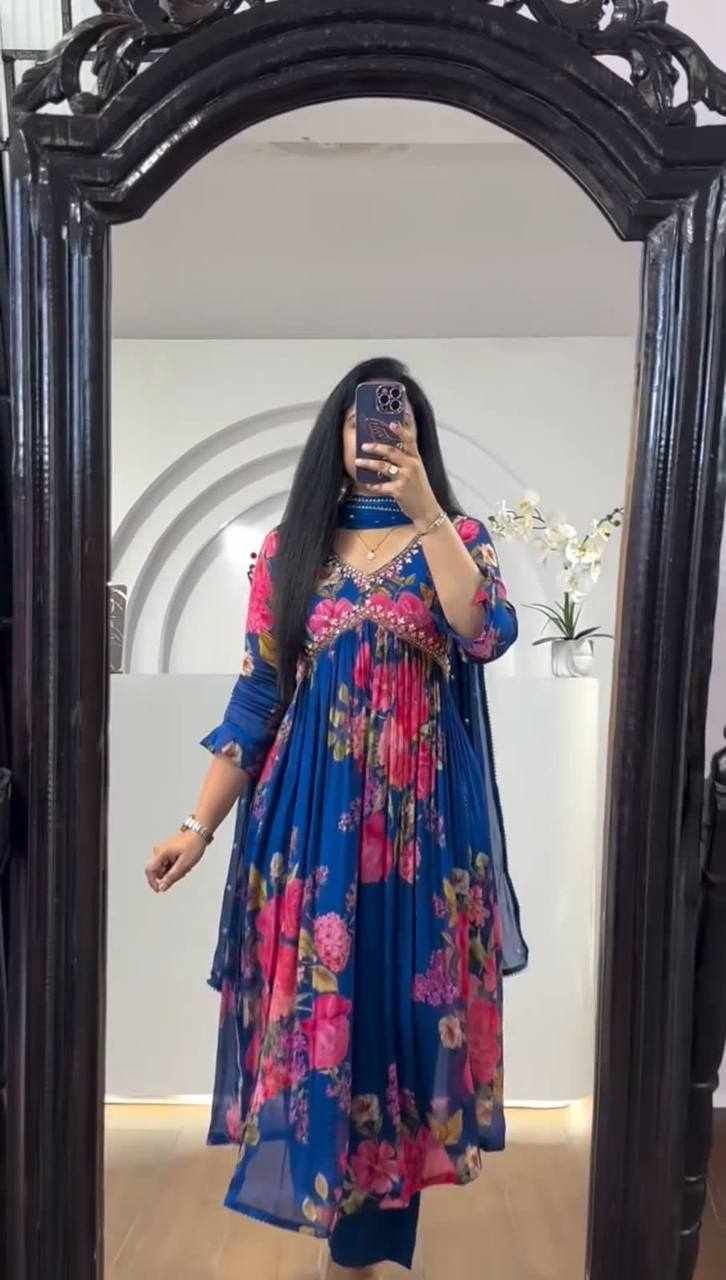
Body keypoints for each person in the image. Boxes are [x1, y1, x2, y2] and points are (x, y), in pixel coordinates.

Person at [146, 356, 529, 1278]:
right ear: (337, 435)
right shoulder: (292, 551)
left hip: (424, 836)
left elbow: (485, 632)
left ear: (418, 440)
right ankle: (344, 1244)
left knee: (401, 1019)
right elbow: (258, 696)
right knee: (326, 1023)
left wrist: (429, 513)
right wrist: (197, 827)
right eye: (362, 420)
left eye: (396, 422)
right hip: (312, 831)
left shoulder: (457, 538)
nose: (377, 436)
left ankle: (366, 1246)